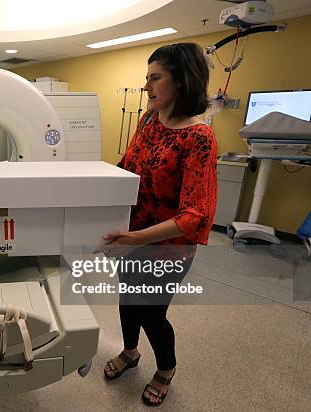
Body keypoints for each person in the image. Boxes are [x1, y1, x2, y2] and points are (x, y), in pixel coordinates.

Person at [101, 43, 217, 406]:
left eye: (155, 78)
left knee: (152, 311)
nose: (147, 86)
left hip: (167, 246)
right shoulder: (148, 121)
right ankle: (130, 351)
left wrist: (135, 236)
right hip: (131, 236)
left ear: (181, 81)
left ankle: (166, 369)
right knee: (127, 299)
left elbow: (194, 214)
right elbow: (127, 168)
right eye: (146, 78)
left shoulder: (199, 137)